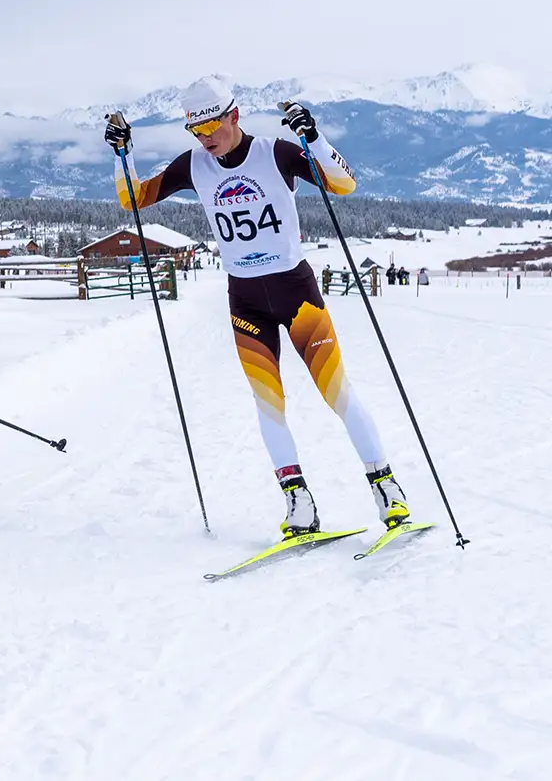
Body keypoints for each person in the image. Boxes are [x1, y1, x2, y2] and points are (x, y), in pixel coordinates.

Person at [108, 77, 412, 540]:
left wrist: (314, 138)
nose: (206, 136)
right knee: (268, 402)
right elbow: (133, 198)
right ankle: (298, 502)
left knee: (336, 391)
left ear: (234, 115)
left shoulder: (277, 152)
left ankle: (385, 487)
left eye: (212, 124)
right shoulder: (194, 165)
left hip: (296, 291)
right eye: (196, 129)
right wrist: (123, 154)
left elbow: (343, 184)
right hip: (246, 297)